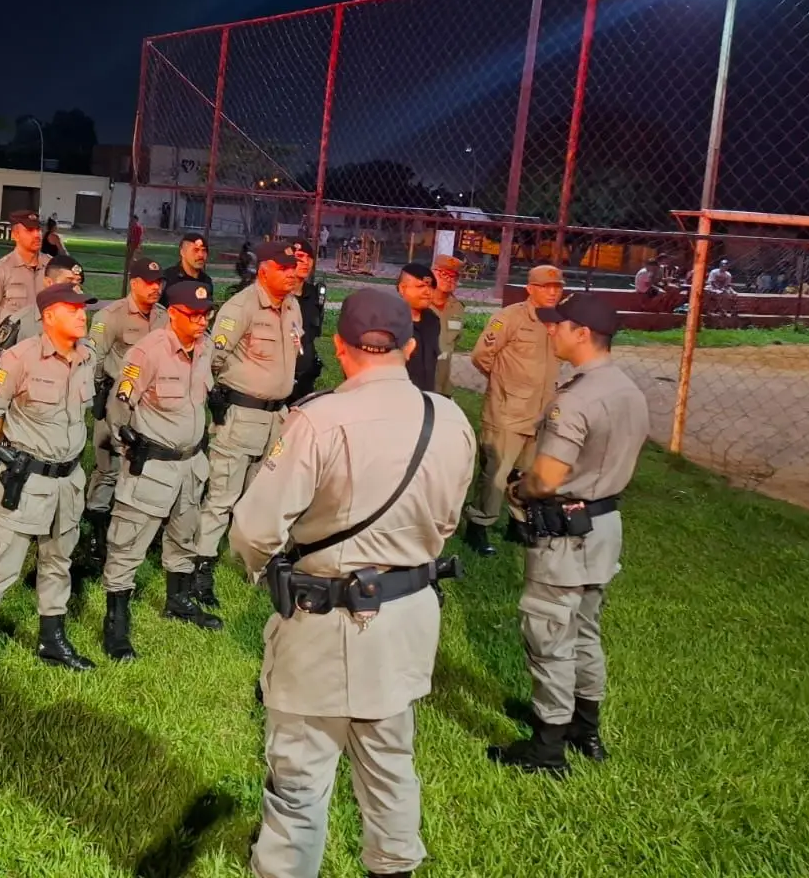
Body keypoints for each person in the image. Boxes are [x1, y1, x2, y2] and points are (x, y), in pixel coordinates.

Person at [231, 287, 476, 878]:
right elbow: (446, 523)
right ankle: (393, 867)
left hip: (324, 621)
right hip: (408, 618)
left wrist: (267, 571)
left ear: (341, 349)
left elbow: (255, 529)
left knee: (299, 772)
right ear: (412, 345)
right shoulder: (449, 418)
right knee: (391, 759)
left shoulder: (318, 420)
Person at [496, 293, 648, 775]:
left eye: (558, 324)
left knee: (549, 635)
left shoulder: (576, 399)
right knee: (585, 630)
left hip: (566, 533)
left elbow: (548, 478)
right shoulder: (627, 389)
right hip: (605, 527)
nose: (550, 330)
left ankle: (547, 748)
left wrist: (520, 490)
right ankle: (586, 728)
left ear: (581, 333)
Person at [0, 281, 101, 701]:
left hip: (69, 482)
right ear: (49, 315)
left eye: (84, 307)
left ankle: (51, 639)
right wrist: (12, 451)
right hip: (27, 480)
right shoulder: (19, 358)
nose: (82, 314)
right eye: (73, 308)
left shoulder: (86, 358)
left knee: (58, 561)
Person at [100, 280, 220, 660]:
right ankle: (116, 626)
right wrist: (131, 451)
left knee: (184, 536)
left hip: (190, 465)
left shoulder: (203, 349)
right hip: (152, 467)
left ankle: (178, 601)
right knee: (128, 545)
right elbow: (119, 409)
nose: (202, 322)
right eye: (194, 315)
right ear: (174, 315)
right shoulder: (147, 352)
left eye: (206, 314)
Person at [189, 240, 303, 611]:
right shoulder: (241, 308)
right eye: (283, 270)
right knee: (222, 495)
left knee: (264, 494)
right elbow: (211, 358)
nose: (291, 275)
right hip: (242, 415)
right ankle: (201, 566)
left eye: (293, 269)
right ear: (265, 270)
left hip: (276, 418)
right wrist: (217, 397)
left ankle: (260, 563)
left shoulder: (292, 307)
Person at [463, 265, 564, 556]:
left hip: (540, 411)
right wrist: (505, 388)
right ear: (530, 289)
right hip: (507, 411)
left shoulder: (556, 321)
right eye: (546, 286)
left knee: (526, 474)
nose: (553, 292)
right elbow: (482, 356)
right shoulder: (509, 318)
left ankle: (518, 523)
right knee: (496, 472)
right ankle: (478, 527)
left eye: (557, 287)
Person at [83, 255, 169, 570]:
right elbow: (94, 357)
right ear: (134, 283)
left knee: (143, 468)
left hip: (151, 406)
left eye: (159, 283)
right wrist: (95, 397)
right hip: (116, 403)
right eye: (148, 282)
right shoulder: (112, 315)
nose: (155, 288)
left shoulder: (164, 317)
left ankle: (137, 531)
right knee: (108, 469)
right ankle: (97, 530)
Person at [0, 209, 47, 378]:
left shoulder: (52, 268)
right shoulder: (0, 271)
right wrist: (4, 340)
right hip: (13, 354)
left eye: (38, 229)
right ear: (15, 235)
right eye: (29, 230)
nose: (37, 235)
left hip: (47, 353)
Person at [288, 238, 327, 404]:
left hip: (305, 376)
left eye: (309, 258)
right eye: (299, 257)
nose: (305, 263)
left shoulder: (315, 295)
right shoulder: (280, 294)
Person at [395, 262, 441, 393]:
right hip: (396, 396)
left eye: (431, 287)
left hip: (425, 396)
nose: (427, 292)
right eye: (420, 286)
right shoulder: (389, 321)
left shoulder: (433, 321)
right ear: (402, 288)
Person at [430, 254, 467, 396]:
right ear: (432, 273)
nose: (448, 279)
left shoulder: (457, 308)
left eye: (453, 276)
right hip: (416, 377)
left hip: (442, 380)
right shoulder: (418, 303)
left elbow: (454, 341)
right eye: (443, 274)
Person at [159, 231, 212, 307]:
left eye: (204, 250)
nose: (201, 255)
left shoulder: (206, 281)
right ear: (182, 252)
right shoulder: (167, 278)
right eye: (195, 250)